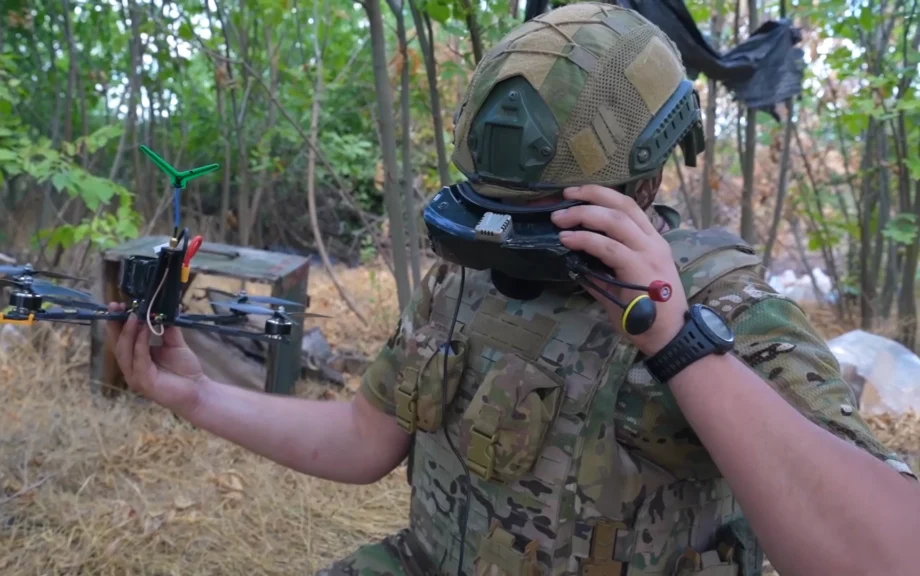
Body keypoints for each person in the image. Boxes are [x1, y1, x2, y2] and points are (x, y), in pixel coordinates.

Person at [106, 4, 920, 576]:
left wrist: (682, 345)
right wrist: (198, 396)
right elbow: (364, 437)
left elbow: (887, 553)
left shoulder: (719, 301)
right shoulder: (465, 275)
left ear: (642, 175)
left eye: (549, 218)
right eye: (498, 213)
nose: (511, 243)